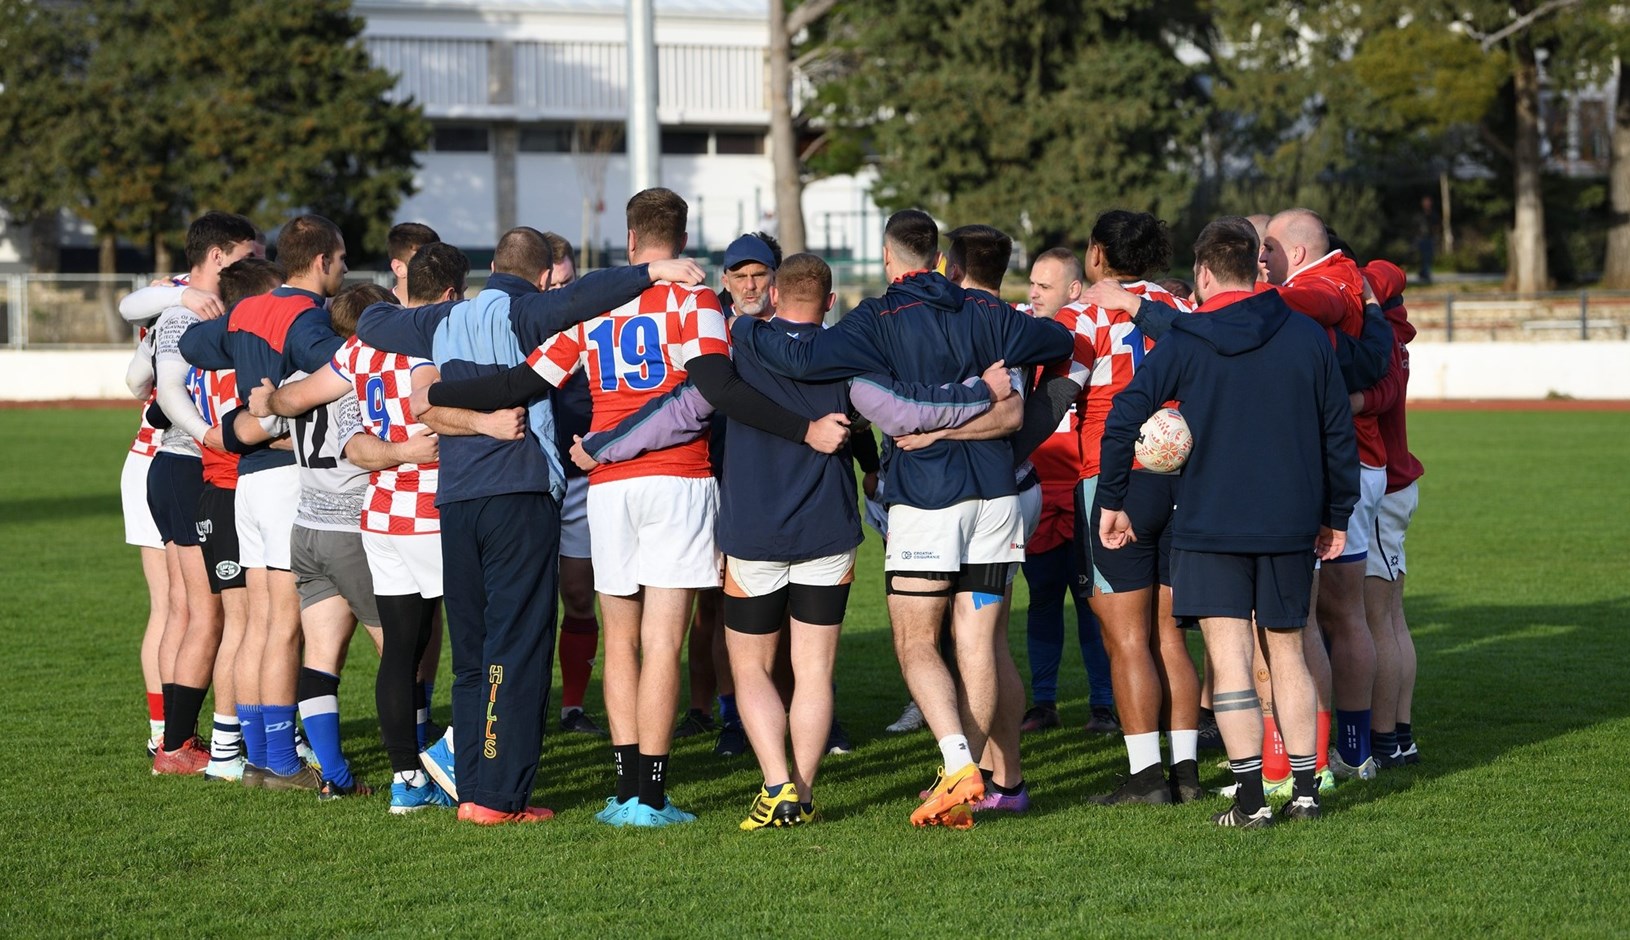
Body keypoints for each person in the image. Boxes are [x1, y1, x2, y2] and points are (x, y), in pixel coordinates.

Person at [572, 251, 1003, 826]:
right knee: (814, 671)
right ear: (829, 303)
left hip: (753, 534)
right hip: (828, 531)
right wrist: (980, 391)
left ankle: (775, 784)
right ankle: (800, 792)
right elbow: (903, 412)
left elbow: (676, 412)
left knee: (750, 669)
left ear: (774, 294)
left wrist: (602, 447)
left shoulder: (738, 351)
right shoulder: (849, 360)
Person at [356, 224, 707, 824]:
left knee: (471, 653)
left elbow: (369, 324)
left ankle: (471, 790)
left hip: (456, 497)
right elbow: (585, 298)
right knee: (515, 648)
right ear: (543, 275)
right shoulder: (531, 313)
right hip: (519, 491)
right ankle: (498, 798)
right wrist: (652, 272)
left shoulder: (444, 320)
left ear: (490, 265)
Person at [733, 208, 1072, 828]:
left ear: (889, 260)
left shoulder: (876, 318)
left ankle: (957, 764)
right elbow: (1058, 343)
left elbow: (805, 361)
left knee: (917, 641)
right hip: (998, 495)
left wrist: (748, 330)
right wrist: (995, 406)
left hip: (928, 495)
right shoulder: (986, 310)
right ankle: (979, 778)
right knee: (978, 643)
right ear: (940, 260)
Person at [524, 190, 847, 827]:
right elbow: (712, 390)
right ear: (683, 233)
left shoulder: (597, 296)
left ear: (630, 238)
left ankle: (624, 790)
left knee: (619, 637)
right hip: (678, 477)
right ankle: (650, 795)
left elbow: (540, 373)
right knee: (662, 640)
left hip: (609, 481)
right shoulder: (696, 299)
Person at [1096, 216, 1359, 828]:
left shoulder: (1186, 338)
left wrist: (1113, 500)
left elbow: (1124, 416)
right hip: (1290, 521)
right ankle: (1305, 793)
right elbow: (1336, 433)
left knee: (1232, 658)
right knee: (1289, 654)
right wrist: (1335, 513)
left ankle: (1248, 802)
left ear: (1205, 273)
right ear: (1256, 268)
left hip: (1209, 522)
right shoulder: (1305, 335)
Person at [180, 214, 352, 788]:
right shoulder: (303, 315)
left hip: (246, 482)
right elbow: (346, 370)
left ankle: (257, 753)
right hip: (282, 476)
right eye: (342, 258)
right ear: (323, 260)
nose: (345, 268)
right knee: (282, 624)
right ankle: (278, 761)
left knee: (257, 622)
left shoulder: (248, 309)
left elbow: (191, 344)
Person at [1036, 211, 1201, 805]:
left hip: (1112, 480)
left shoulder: (1083, 315)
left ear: (1098, 254)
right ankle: (1186, 771)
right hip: (1184, 473)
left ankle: (1146, 778)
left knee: (1127, 638)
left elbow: (1061, 393)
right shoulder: (1179, 305)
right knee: (1170, 635)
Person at [1262, 207, 1382, 781]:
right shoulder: (1342, 280)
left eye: (1267, 249)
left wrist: (1235, 298)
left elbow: (1328, 306)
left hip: (1342, 466)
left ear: (1300, 253)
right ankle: (1339, 753)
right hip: (1345, 463)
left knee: (1323, 616)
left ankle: (1336, 755)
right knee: (1328, 616)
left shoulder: (1324, 283)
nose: (1262, 262)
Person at [145, 211, 259, 775]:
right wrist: (211, 436)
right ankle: (198, 746)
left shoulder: (197, 310)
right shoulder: (181, 313)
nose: (258, 266)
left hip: (174, 466)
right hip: (190, 467)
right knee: (212, 616)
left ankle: (175, 741)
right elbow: (166, 390)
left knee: (195, 613)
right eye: (249, 255)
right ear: (220, 256)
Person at [1353, 259, 1425, 767]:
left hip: (1384, 486)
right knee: (1391, 618)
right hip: (1398, 483)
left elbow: (1385, 269)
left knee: (1376, 619)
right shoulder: (1393, 338)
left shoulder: (1377, 340)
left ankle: (1384, 739)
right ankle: (1399, 736)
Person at [540, 232, 608, 737]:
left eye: (569, 283)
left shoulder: (593, 327)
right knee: (527, 600)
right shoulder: (516, 324)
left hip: (583, 480)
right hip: (527, 480)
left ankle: (572, 708)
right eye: (553, 284)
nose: (560, 293)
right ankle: (524, 702)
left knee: (579, 597)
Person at [386, 222, 440, 301]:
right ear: (399, 268)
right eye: (424, 264)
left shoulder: (448, 307)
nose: (437, 270)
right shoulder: (375, 309)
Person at [1027, 247, 1085, 319]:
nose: (1033, 294)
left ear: (1073, 290)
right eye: (1032, 283)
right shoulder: (1021, 316)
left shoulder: (1090, 326)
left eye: (1044, 287)